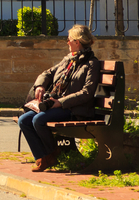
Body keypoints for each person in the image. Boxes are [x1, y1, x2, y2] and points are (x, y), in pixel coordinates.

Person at [18, 24, 99, 172]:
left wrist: (60, 103)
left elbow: (87, 92)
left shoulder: (91, 64)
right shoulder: (68, 59)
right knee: (24, 120)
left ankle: (51, 154)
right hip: (56, 105)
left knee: (38, 120)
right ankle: (43, 156)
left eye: (69, 40)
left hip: (74, 109)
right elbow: (47, 73)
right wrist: (40, 86)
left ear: (77, 42)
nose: (67, 42)